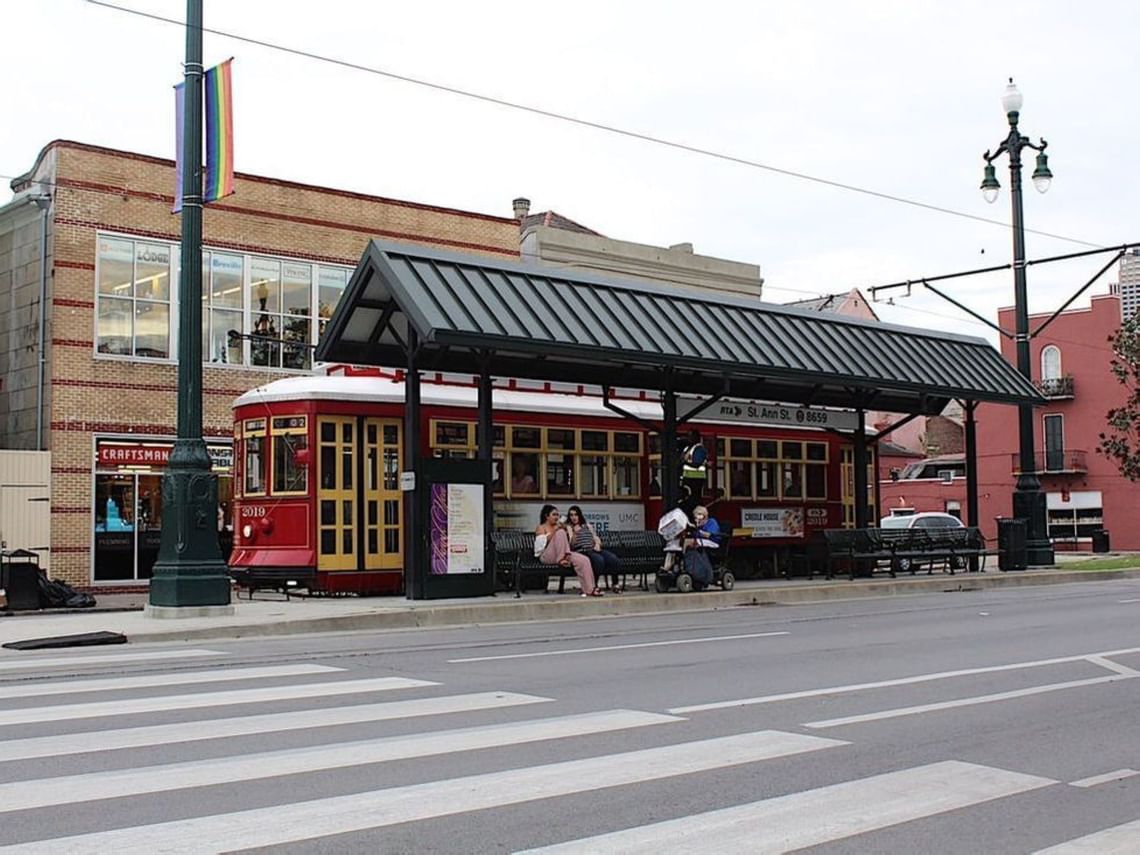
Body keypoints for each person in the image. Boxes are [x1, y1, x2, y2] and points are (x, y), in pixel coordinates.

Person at [534, 504, 600, 597]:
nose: (557, 517)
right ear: (547, 516)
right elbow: (541, 544)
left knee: (584, 560)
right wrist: (556, 531)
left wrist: (568, 531)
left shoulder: (560, 526)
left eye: (558, 515)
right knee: (560, 533)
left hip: (565, 553)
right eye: (554, 515)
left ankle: (590, 589)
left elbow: (569, 543)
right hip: (547, 555)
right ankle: (562, 559)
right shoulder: (541, 527)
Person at [565, 505, 623, 592]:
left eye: (576, 515)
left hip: (593, 549)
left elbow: (595, 537)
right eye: (571, 515)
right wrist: (575, 533)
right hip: (582, 551)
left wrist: (597, 544)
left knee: (613, 559)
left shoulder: (588, 526)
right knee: (599, 560)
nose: (574, 517)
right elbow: (571, 545)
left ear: (579, 515)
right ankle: (593, 585)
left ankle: (615, 584)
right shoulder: (569, 527)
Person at [683, 505, 721, 589]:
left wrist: (698, 530)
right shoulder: (698, 525)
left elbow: (708, 535)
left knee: (689, 542)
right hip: (701, 541)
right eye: (695, 516)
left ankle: (683, 558)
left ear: (705, 515)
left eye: (699, 515)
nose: (697, 518)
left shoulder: (711, 522)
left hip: (712, 542)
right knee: (685, 542)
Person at [680, 429, 707, 514]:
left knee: (695, 500)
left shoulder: (699, 449)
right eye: (688, 436)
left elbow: (697, 464)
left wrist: (685, 463)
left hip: (696, 479)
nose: (689, 438)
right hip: (687, 478)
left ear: (697, 437)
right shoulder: (686, 448)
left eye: (691, 436)